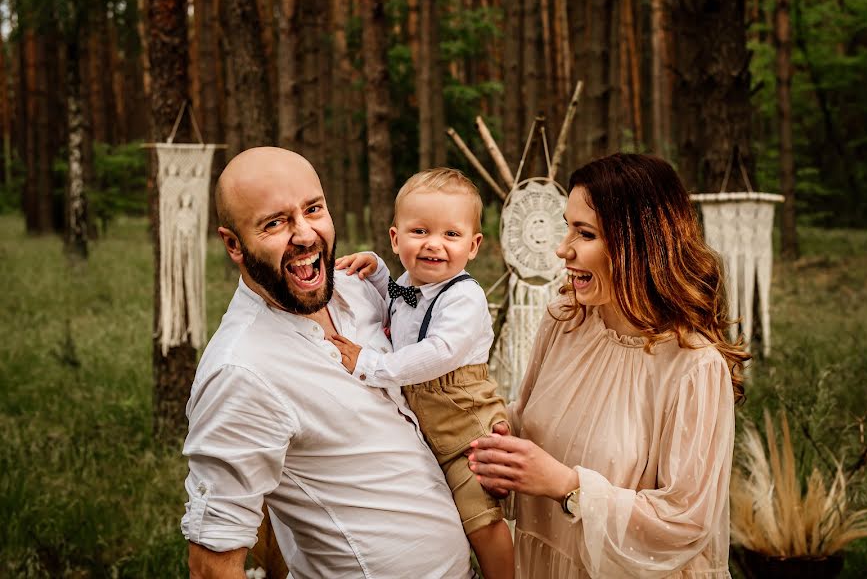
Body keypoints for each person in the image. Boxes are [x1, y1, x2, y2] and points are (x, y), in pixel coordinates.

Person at [181, 147, 474, 578]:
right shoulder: (240, 371)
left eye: (313, 209)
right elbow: (213, 564)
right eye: (275, 223)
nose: (304, 234)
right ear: (233, 243)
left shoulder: (355, 289)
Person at [468, 153, 750, 578]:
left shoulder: (694, 367)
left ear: (639, 245)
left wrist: (566, 485)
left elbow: (685, 522)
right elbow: (526, 420)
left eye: (585, 233)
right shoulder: (566, 318)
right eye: (567, 227)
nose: (563, 249)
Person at [330, 168, 514, 579]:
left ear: (473, 245)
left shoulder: (465, 297)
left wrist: (371, 365)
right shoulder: (408, 282)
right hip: (427, 426)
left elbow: (437, 353)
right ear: (396, 239)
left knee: (479, 517)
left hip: (467, 424)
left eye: (451, 235)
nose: (434, 244)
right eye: (419, 231)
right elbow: (399, 305)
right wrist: (377, 272)